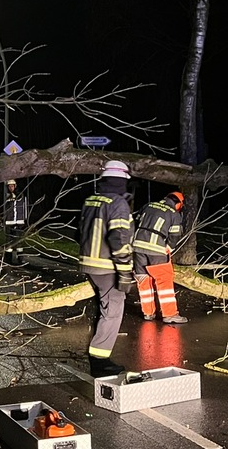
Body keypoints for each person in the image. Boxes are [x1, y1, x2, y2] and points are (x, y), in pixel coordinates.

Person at [79, 160, 135, 377]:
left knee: (103, 309)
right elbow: (118, 238)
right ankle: (100, 362)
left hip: (89, 263)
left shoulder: (91, 200)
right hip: (107, 266)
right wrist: (124, 271)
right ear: (122, 182)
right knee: (112, 312)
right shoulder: (117, 203)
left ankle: (97, 353)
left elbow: (79, 232)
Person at [133, 191, 187, 324]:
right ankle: (170, 314)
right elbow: (175, 234)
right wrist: (169, 248)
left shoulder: (148, 205)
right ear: (178, 204)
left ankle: (148, 313)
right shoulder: (174, 214)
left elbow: (135, 221)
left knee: (143, 280)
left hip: (137, 247)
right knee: (164, 281)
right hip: (157, 250)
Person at [2, 179, 29, 265]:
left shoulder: (20, 195)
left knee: (19, 241)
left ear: (15, 186)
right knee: (9, 242)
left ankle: (20, 258)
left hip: (19, 222)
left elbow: (23, 206)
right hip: (9, 222)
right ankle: (8, 259)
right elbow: (5, 209)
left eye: (12, 186)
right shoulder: (6, 196)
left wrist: (25, 219)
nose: (11, 188)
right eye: (9, 186)